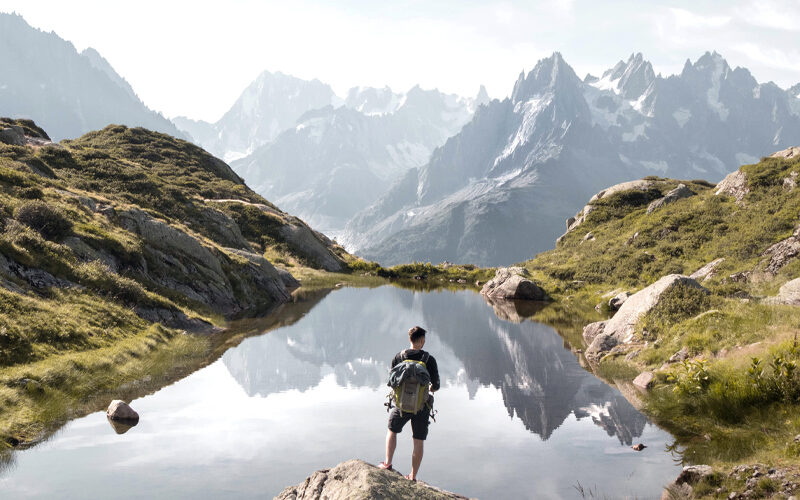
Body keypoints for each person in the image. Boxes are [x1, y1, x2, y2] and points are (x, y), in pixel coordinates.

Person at [378, 326, 440, 481]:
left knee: (392, 430)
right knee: (418, 440)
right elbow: (436, 385)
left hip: (401, 406)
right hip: (421, 407)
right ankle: (412, 476)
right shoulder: (429, 360)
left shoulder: (399, 357)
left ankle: (387, 463)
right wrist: (431, 387)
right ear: (422, 341)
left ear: (410, 339)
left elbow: (391, 380)